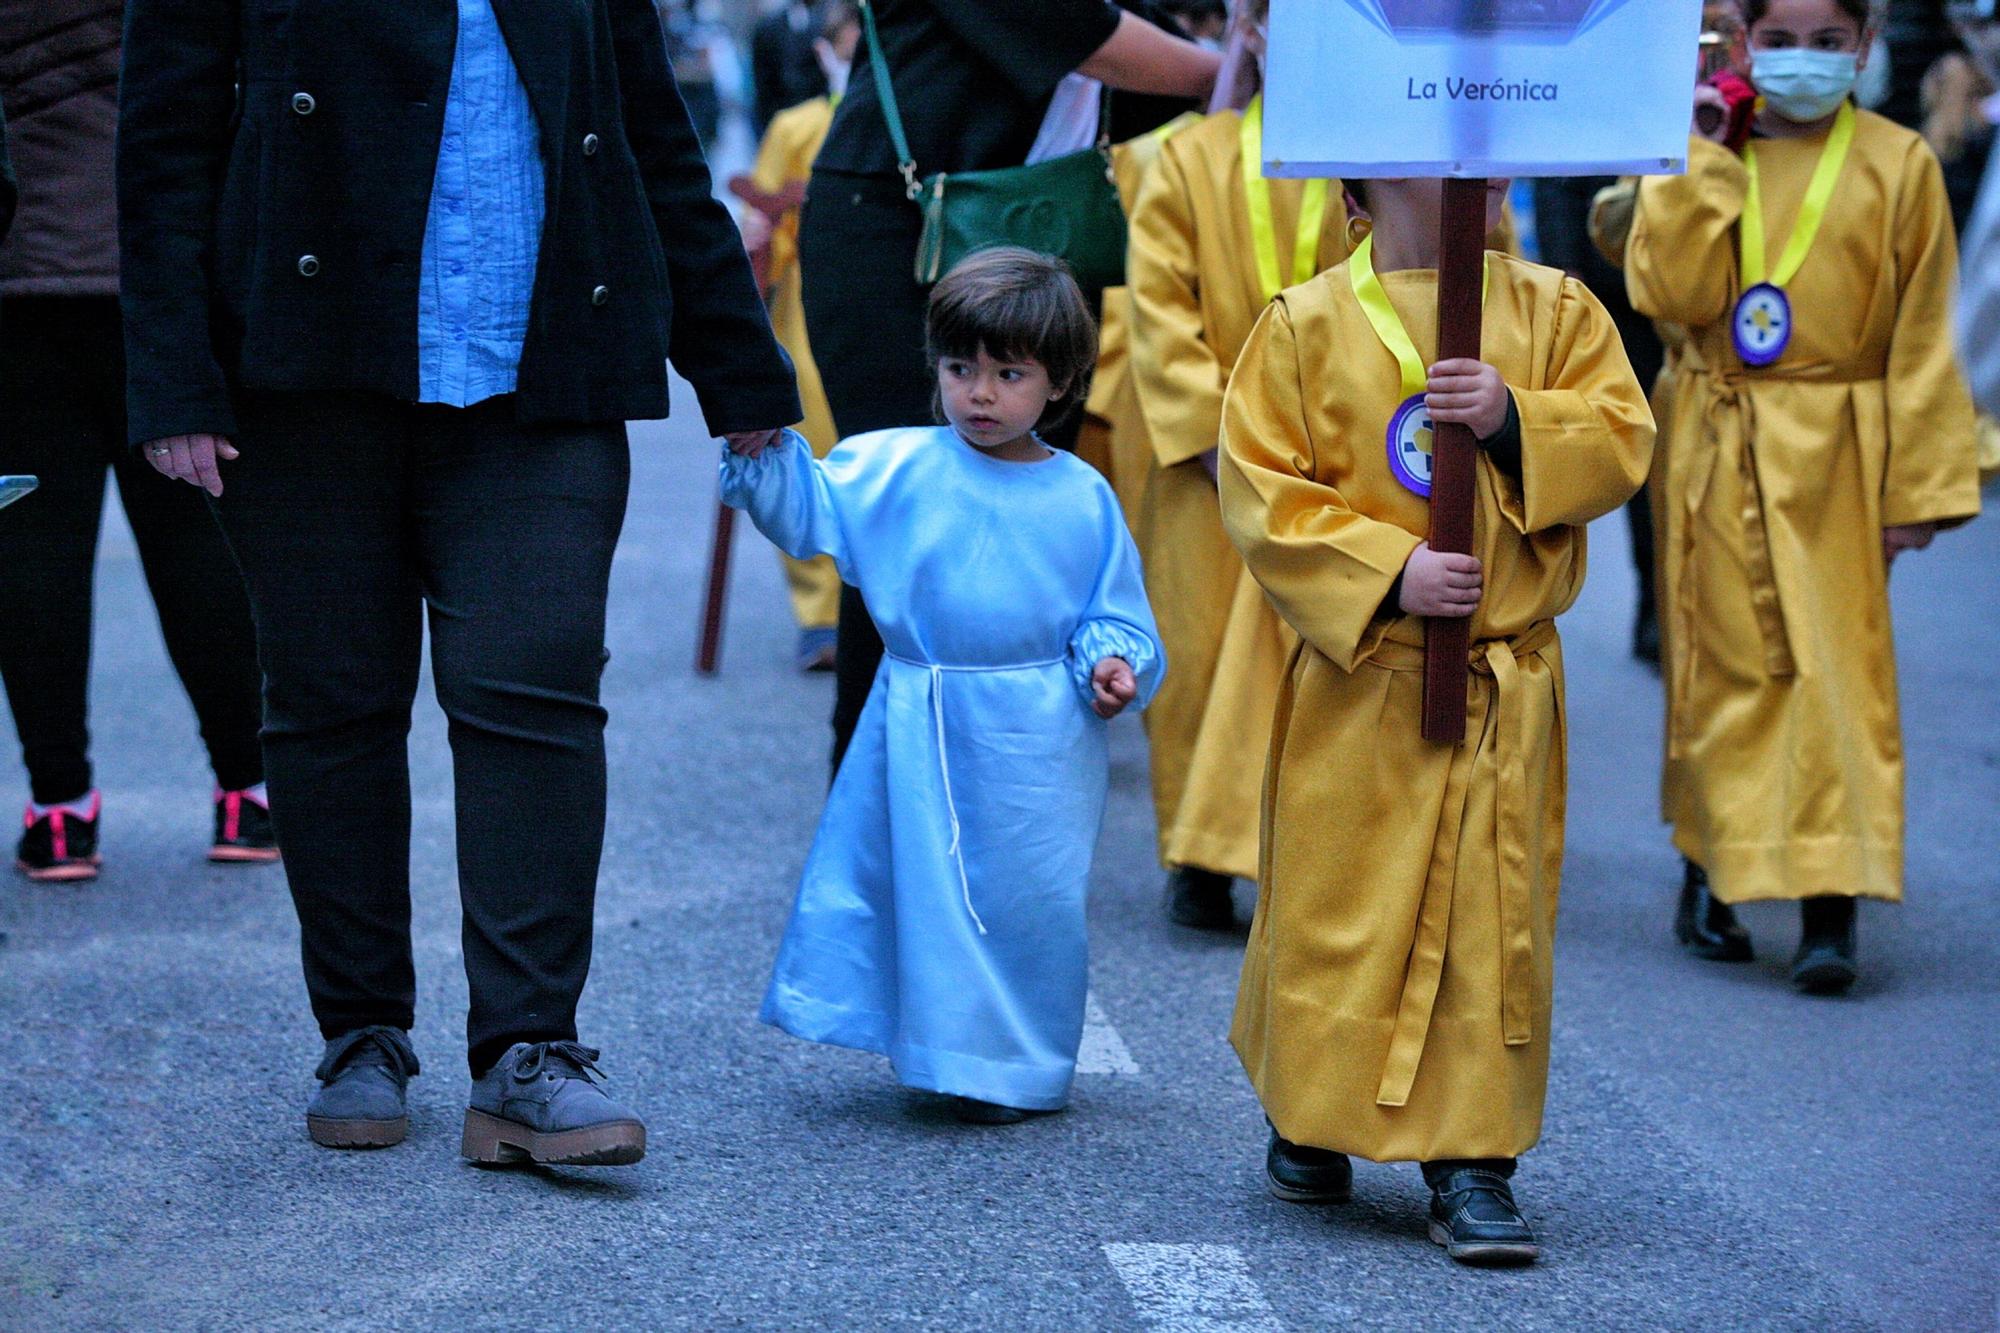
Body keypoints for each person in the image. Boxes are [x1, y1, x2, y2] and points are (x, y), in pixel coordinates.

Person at [118, 0, 800, 1163]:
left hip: (542, 375)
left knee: (533, 693)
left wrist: (738, 368)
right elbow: (164, 147)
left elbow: (647, 131)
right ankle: (361, 1033)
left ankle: (530, 1052)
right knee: (332, 705)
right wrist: (174, 378)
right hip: (305, 371)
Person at [1220, 177, 1653, 1266]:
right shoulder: (1302, 321)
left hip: (1498, 678)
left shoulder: (1555, 310)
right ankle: (1308, 1109)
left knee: (1479, 918)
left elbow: (1618, 437)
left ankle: (1472, 1158)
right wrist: (1387, 570)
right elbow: (1262, 489)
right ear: (1358, 177)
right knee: (1336, 900)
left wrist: (1514, 419)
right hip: (1364, 671)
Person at [724, 249, 1164, 1124]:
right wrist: (765, 451)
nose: (981, 394)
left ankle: (1022, 1059)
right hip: (920, 715)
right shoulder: (893, 465)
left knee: (1027, 898)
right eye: (962, 369)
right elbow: (810, 504)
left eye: (1010, 373)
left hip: (1039, 734)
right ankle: (954, 1054)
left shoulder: (1082, 496)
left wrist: (1112, 665)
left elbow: (1109, 611)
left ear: (1062, 380)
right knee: (925, 883)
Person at [1627, 0, 1981, 993]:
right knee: (1714, 664)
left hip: (1835, 451)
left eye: (1827, 43)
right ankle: (1709, 869)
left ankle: (1829, 902)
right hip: (1713, 435)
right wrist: (1700, 157)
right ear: (1737, 42)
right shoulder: (1700, 146)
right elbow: (1667, 291)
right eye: (1775, 41)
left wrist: (1910, 487)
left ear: (1863, 47)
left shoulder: (1896, 162)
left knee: (1834, 674)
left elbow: (1919, 337)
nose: (1801, 62)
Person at [800, 0, 1219, 774]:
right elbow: (1087, 36)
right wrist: (1235, 70)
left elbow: (1137, 60)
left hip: (1032, 225)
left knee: (1023, 522)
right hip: (901, 239)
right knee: (911, 526)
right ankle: (881, 810)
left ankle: (1003, 785)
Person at [2, 0, 273, 885]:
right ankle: (247, 789)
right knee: (196, 538)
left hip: (21, 278)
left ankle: (59, 811)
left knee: (31, 550)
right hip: (162, 276)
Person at [1125, 0, 1350, 929]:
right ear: (1247, 27)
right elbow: (1162, 316)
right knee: (1200, 650)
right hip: (1207, 469)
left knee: (1324, 662)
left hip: (1336, 461)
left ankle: (1312, 848)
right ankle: (1196, 853)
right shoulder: (1189, 156)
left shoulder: (1376, 164)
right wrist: (1223, 445)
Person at [737, 0, 860, 672]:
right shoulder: (795, 126)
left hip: (885, 310)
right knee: (810, 446)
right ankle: (819, 614)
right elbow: (762, 225)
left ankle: (872, 601)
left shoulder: (908, 128)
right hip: (807, 316)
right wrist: (761, 240)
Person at [751, 0, 830, 135]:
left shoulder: (826, 24)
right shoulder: (768, 29)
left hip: (816, 121)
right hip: (779, 119)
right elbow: (763, 85)